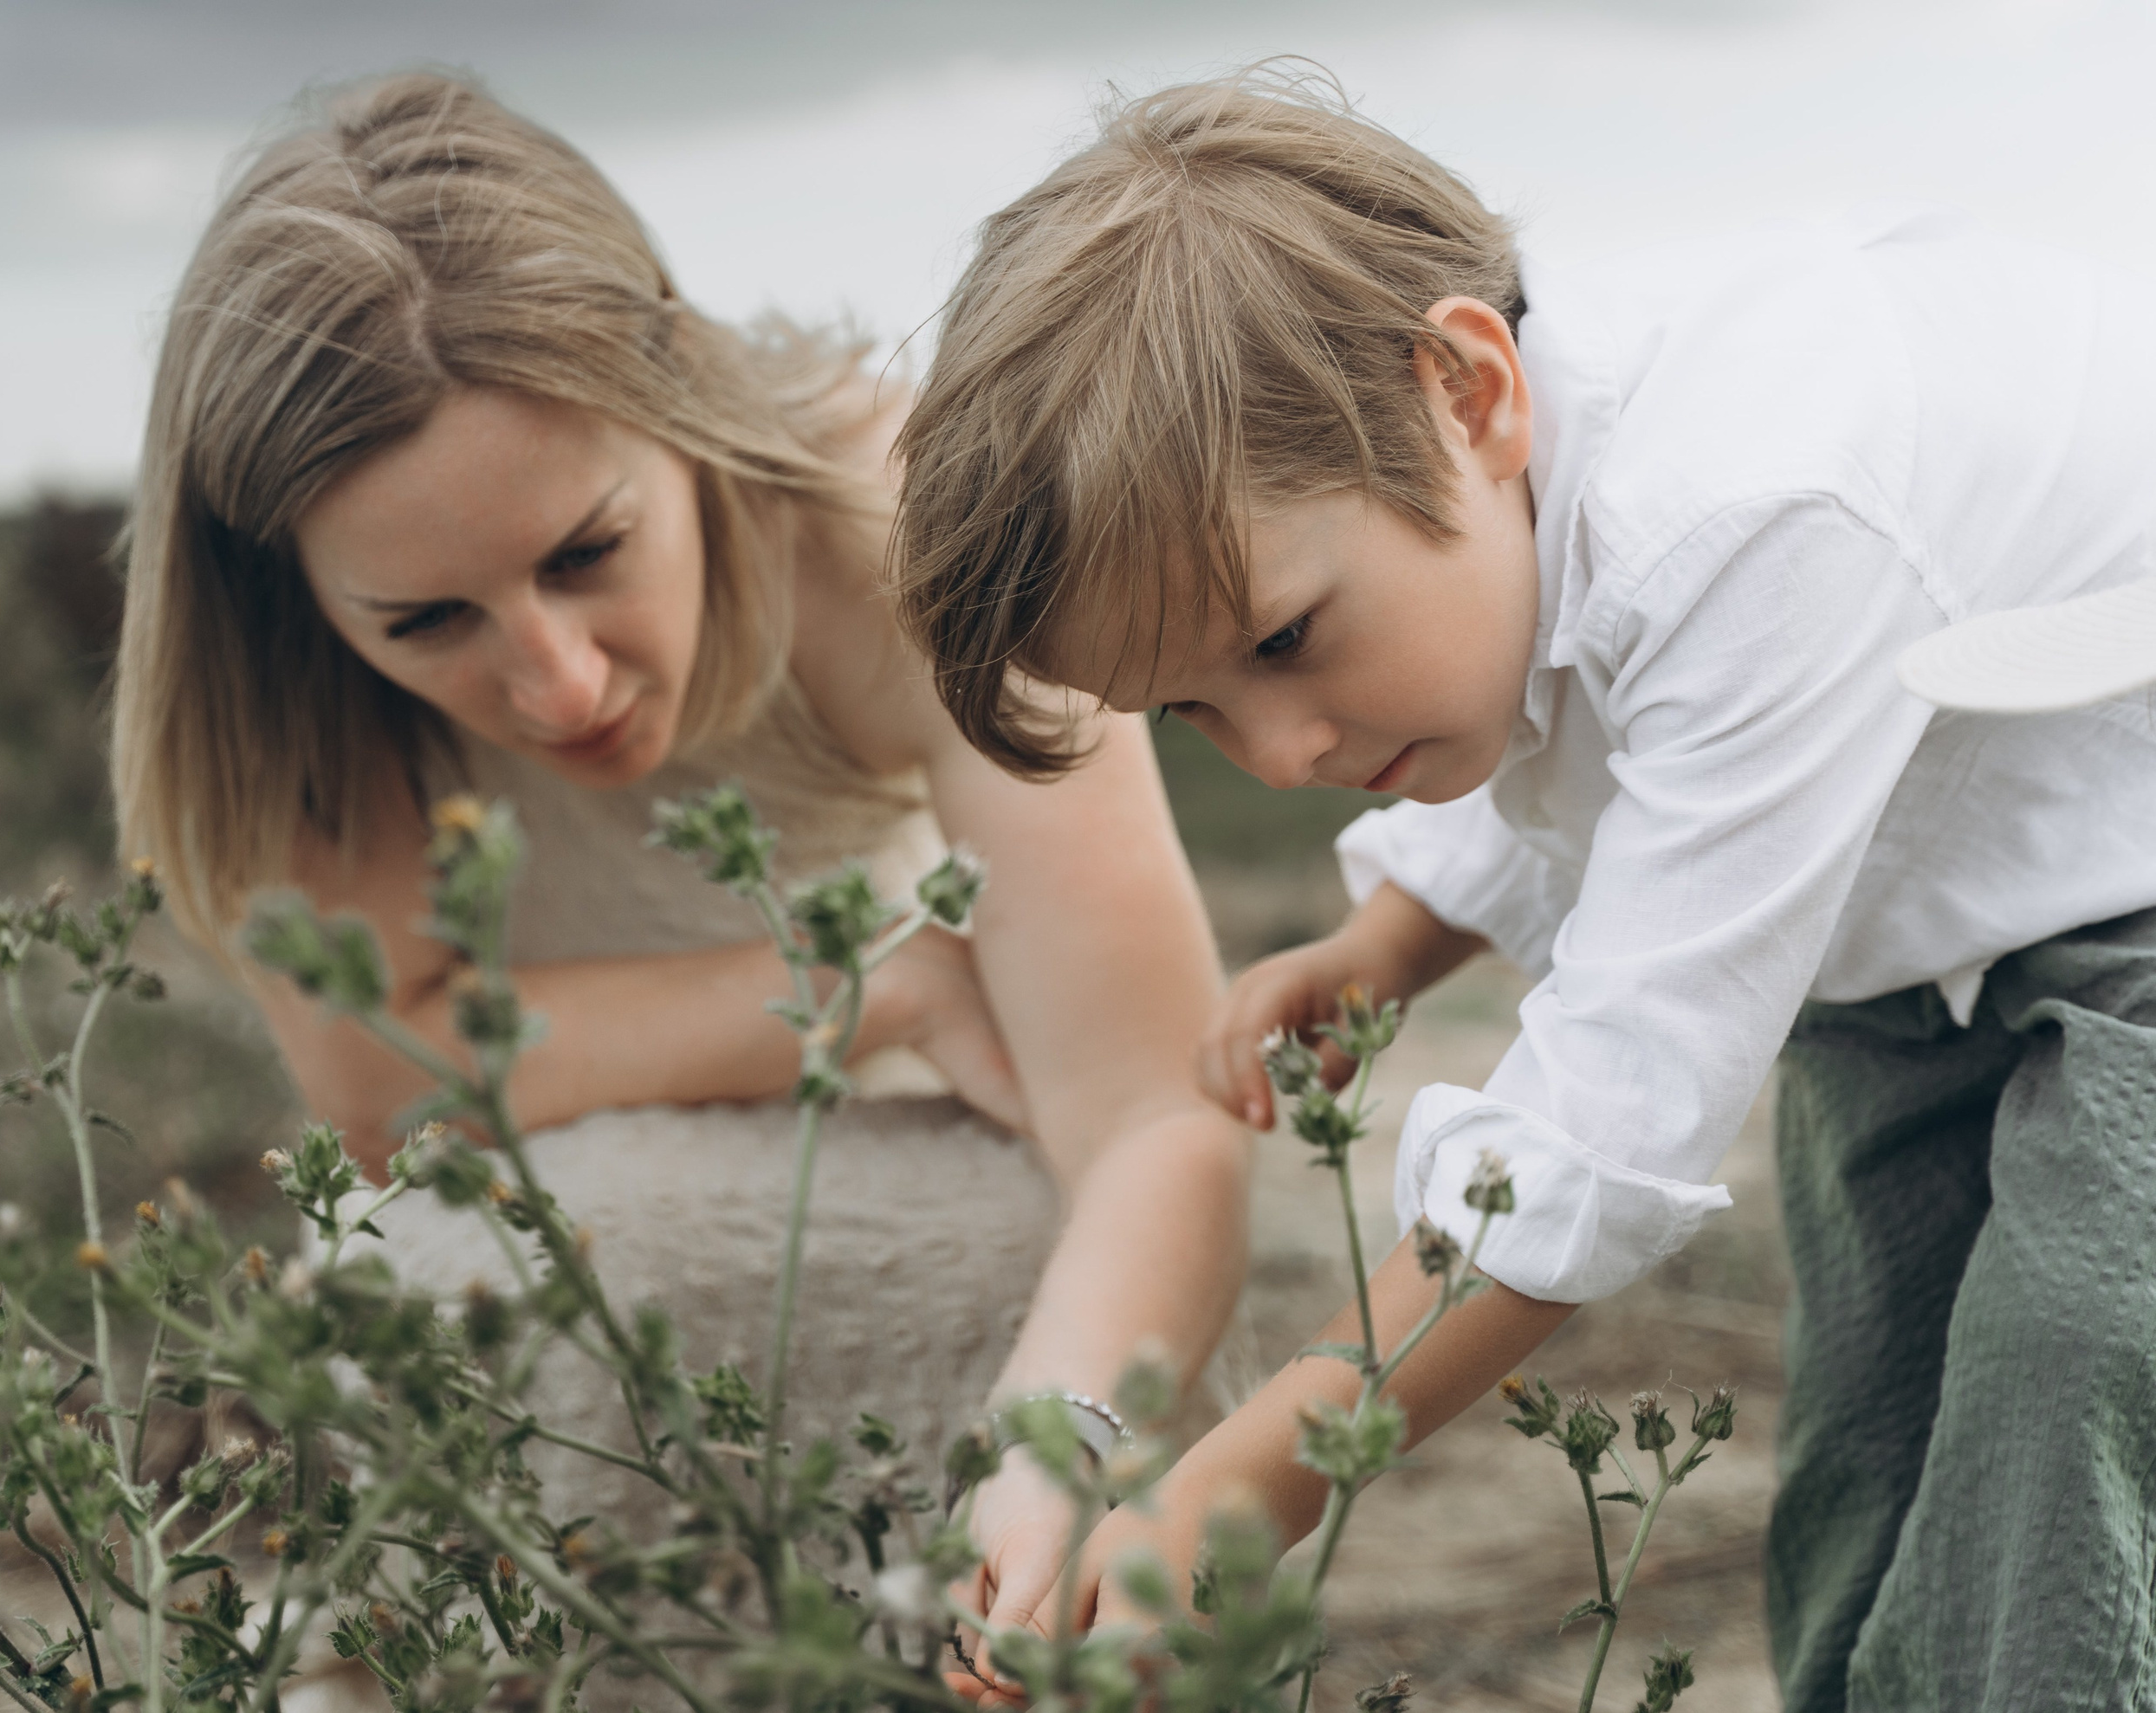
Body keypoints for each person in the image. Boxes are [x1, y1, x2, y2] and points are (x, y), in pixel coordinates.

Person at [892, 68, 2156, 1712]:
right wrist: (1393, 938)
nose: (1276, 754)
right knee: (1880, 1425)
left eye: (1281, 639)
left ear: (1467, 392)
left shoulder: (1753, 508)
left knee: (2068, 1367)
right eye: (1194, 707)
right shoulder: (1506, 481)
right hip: (1911, 954)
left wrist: (1234, 1492)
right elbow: (1566, 728)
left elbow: (1603, 1131)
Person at [107, 70, 1254, 1671]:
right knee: (461, 1272)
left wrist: (1048, 1455)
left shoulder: (895, 525)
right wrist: (873, 979)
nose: (560, 685)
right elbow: (382, 1080)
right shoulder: (284, 683)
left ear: (677, 395)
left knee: (1072, 1261)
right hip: (540, 1239)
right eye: (427, 622)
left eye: (589, 551)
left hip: (911, 1166)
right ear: (294, 589)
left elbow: (1150, 1112)